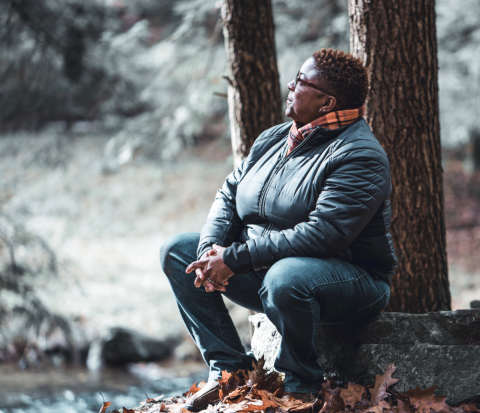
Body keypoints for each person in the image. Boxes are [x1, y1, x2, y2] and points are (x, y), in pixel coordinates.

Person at [160, 48, 397, 411]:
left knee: (287, 277)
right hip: (266, 271)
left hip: (348, 282)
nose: (291, 84)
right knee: (178, 251)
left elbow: (324, 234)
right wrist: (212, 249)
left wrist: (237, 258)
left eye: (301, 81)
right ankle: (227, 368)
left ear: (326, 102)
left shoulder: (360, 155)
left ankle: (302, 387)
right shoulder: (274, 139)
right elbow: (229, 194)